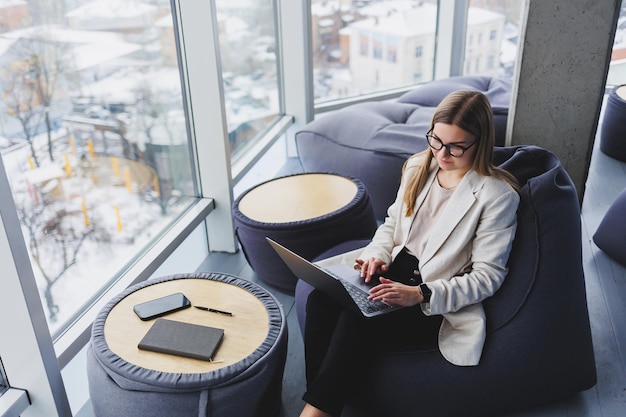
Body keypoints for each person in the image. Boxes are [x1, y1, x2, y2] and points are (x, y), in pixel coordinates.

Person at [299, 90, 521, 417]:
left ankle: (316, 412)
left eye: (456, 146)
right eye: (436, 140)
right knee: (321, 299)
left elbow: (488, 277)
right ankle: (321, 399)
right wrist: (377, 254)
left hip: (434, 296)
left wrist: (419, 294)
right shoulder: (419, 166)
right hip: (394, 272)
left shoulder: (497, 195)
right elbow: (391, 224)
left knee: (358, 318)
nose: (442, 154)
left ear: (481, 141)